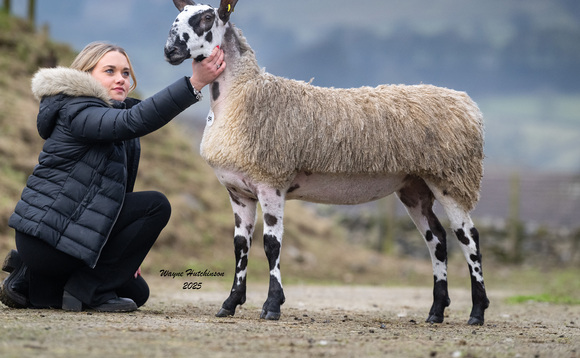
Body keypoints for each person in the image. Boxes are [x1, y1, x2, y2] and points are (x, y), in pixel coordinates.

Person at [0, 41, 225, 312]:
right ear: (85, 75)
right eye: (109, 71)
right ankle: (77, 289)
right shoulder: (78, 109)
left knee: (136, 291)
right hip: (47, 240)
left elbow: (117, 199)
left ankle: (32, 283)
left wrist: (127, 248)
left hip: (72, 234)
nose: (120, 79)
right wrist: (194, 83)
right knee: (156, 205)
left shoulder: (114, 116)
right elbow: (135, 120)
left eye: (126, 73)